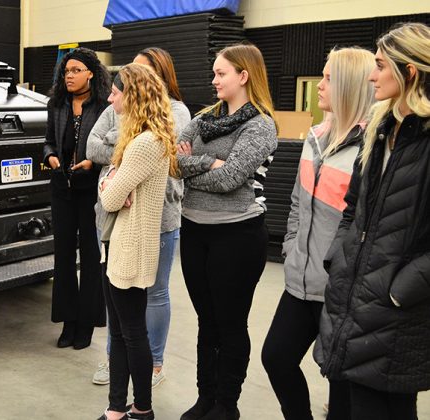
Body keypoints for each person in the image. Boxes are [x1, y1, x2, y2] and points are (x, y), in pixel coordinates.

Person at [315, 22, 430, 420]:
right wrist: (339, 258)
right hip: (355, 298)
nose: (371, 75)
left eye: (380, 65)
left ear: (409, 71)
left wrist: (400, 289)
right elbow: (353, 207)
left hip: (396, 309)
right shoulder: (380, 129)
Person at [260, 47, 375, 420]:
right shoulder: (314, 138)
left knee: (340, 382)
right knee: (276, 357)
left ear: (350, 86)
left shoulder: (371, 148)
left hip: (340, 288)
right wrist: (293, 248)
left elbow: (366, 225)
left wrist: (342, 272)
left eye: (328, 78)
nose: (320, 85)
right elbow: (296, 203)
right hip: (300, 279)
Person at [175, 43, 278, 420]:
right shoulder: (203, 119)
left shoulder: (261, 125)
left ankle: (226, 405)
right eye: (215, 73)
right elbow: (174, 162)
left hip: (236, 236)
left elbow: (232, 178)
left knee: (230, 323)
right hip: (195, 231)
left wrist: (195, 166)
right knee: (207, 321)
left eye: (221, 73)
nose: (214, 79)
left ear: (243, 76)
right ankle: (205, 397)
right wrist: (208, 162)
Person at [87, 47, 190, 387]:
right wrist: (117, 171)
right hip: (120, 225)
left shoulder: (175, 114)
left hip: (159, 218)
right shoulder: (121, 113)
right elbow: (92, 146)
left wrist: (118, 167)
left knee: (153, 296)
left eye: (141, 72)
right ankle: (117, 365)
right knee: (121, 313)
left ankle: (153, 366)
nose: (115, 96)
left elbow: (168, 156)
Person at [96, 63, 178, 420]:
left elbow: (111, 199)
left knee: (132, 334)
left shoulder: (146, 143)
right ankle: (117, 409)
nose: (111, 96)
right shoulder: (138, 138)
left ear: (134, 95)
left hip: (130, 248)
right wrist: (111, 183)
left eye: (116, 91)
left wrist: (111, 185)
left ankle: (141, 409)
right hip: (118, 244)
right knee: (121, 332)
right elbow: (112, 188)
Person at [43, 47, 111, 349]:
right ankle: (68, 322)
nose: (69, 76)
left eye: (75, 71)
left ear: (90, 73)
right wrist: (51, 158)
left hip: (91, 190)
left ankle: (86, 324)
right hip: (62, 188)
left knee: (91, 258)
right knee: (64, 257)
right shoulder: (57, 104)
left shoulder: (103, 107)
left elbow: (111, 147)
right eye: (66, 71)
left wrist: (92, 163)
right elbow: (46, 142)